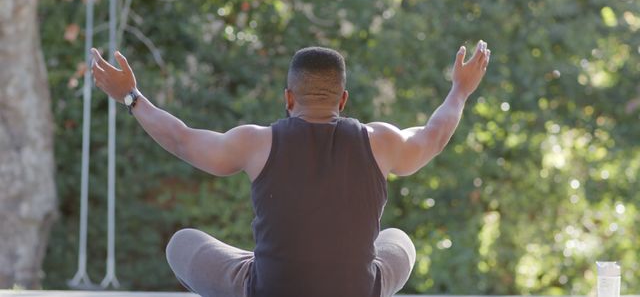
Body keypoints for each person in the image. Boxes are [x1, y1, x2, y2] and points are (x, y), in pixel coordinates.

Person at [90, 40, 490, 297]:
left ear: (288, 98)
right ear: (343, 99)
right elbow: (433, 137)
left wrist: (131, 97)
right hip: (357, 290)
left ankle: (265, 263)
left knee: (182, 243)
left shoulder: (255, 142)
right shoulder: (380, 140)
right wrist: (460, 89)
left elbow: (181, 138)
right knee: (399, 240)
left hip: (271, 288)